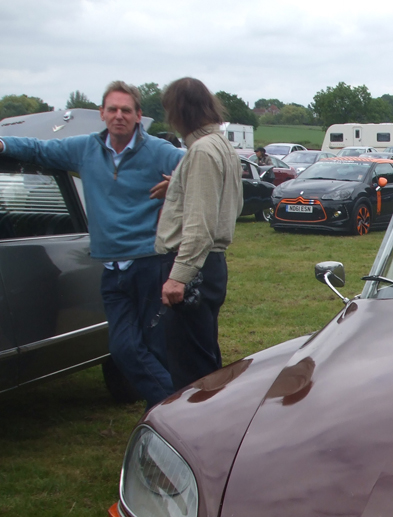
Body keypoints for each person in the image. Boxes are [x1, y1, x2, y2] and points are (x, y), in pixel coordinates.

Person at [0, 82, 185, 408]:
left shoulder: (159, 151)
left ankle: (165, 416)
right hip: (111, 269)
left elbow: (206, 169)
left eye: (126, 110)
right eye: (112, 109)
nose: (118, 116)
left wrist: (179, 184)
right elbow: (39, 150)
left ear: (138, 115)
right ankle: (177, 413)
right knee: (123, 349)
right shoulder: (85, 148)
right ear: (102, 113)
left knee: (156, 349)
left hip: (150, 264)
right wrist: (3, 143)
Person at [156, 77, 243, 391]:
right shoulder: (221, 145)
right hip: (209, 266)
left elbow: (200, 225)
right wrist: (179, 187)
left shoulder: (203, 151)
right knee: (203, 357)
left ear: (178, 111)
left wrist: (178, 276)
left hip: (195, 269)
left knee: (191, 372)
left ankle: (203, 421)